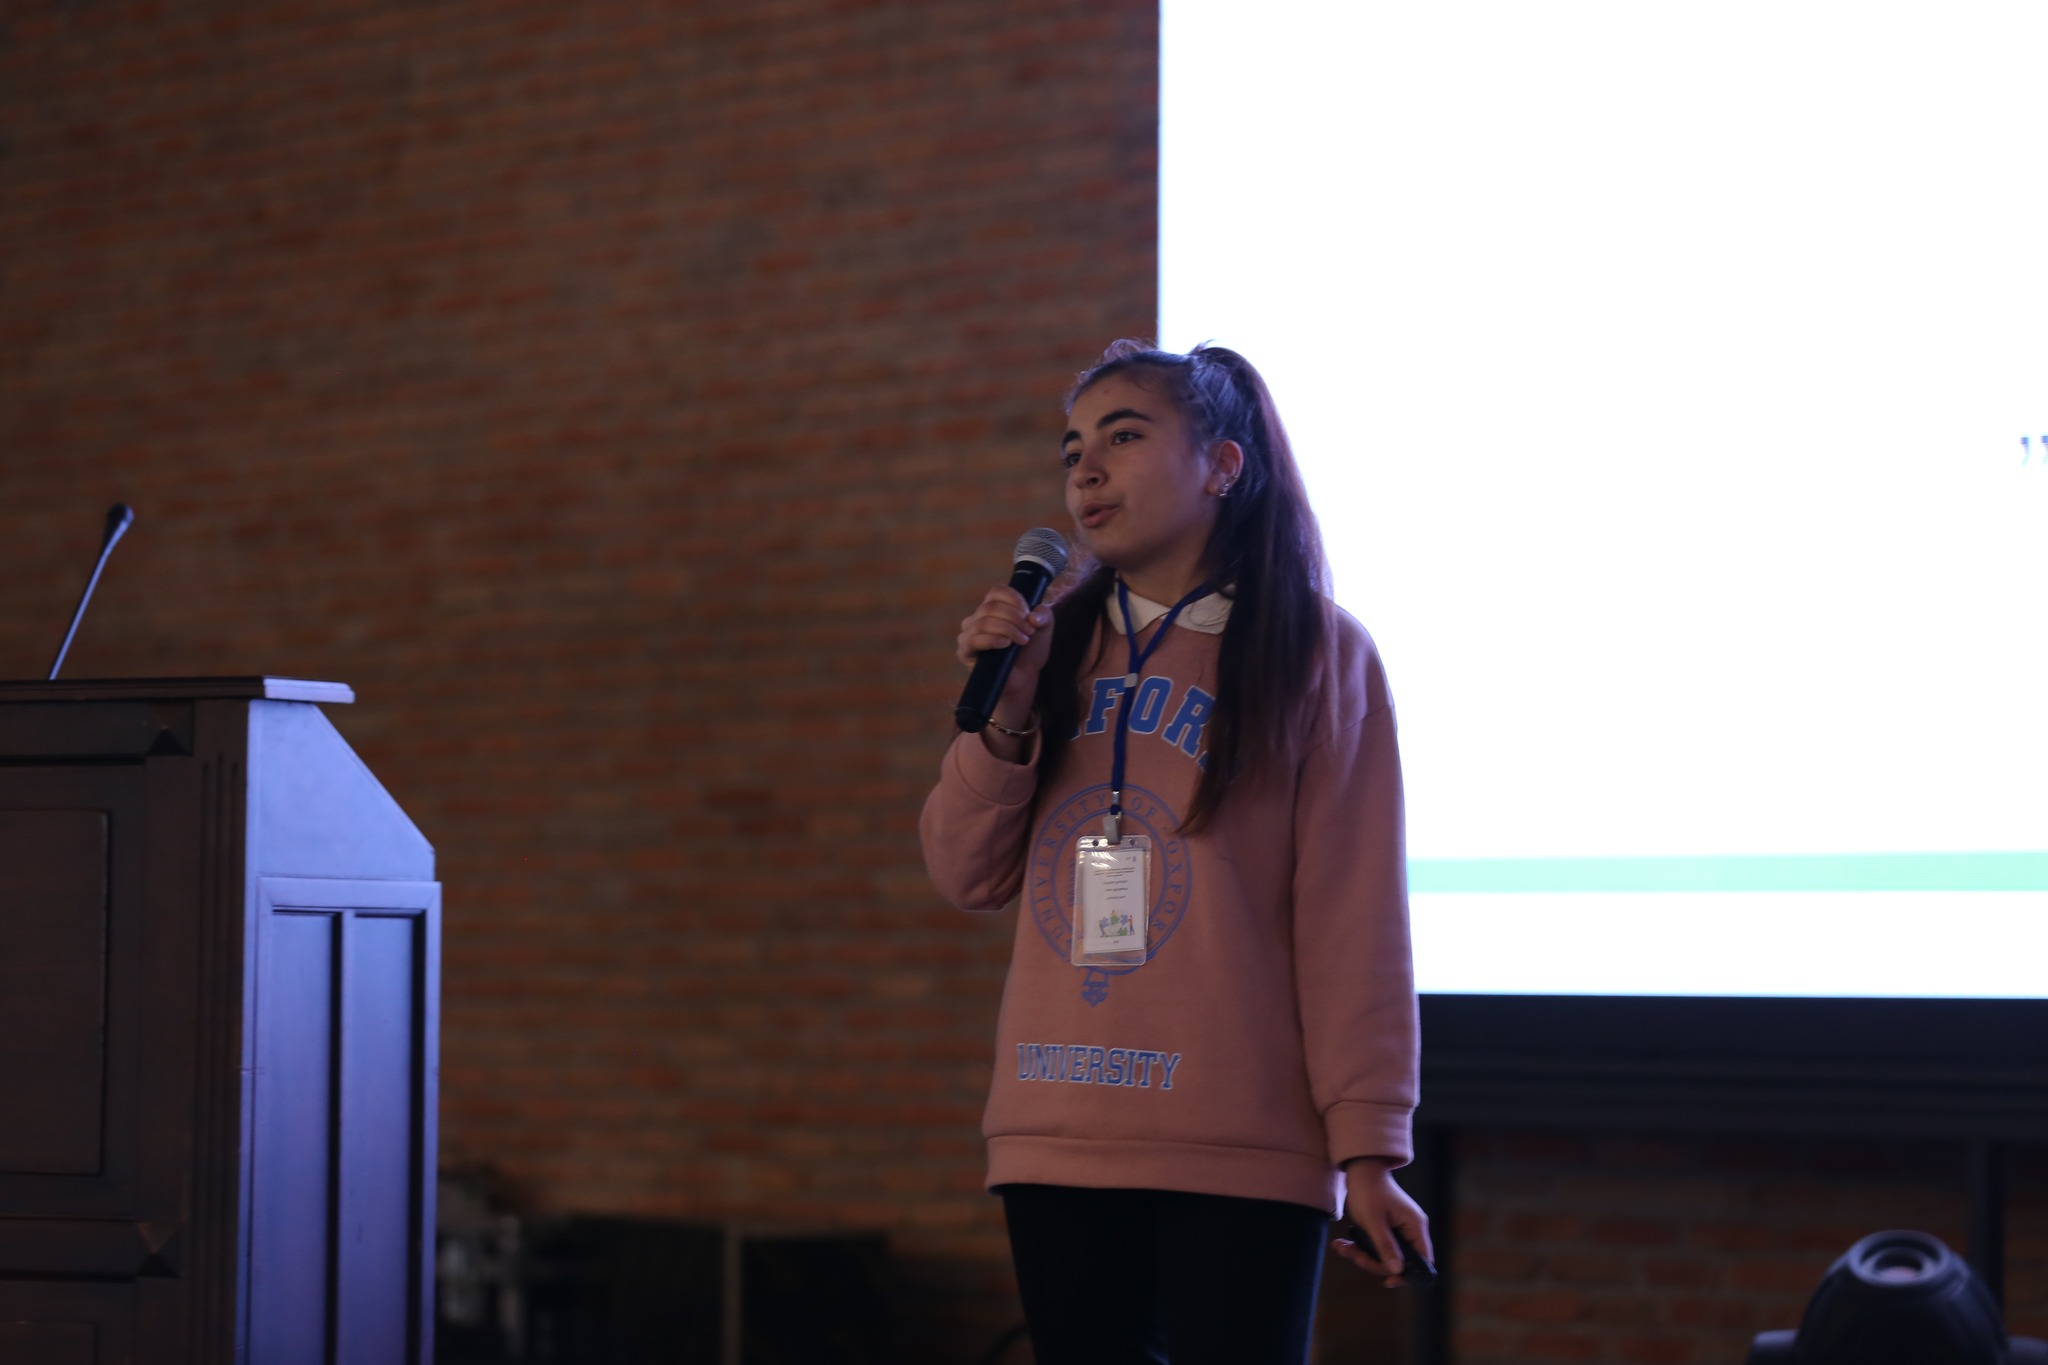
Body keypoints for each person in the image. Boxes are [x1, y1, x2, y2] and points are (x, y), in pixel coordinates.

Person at [919, 340, 1427, 1364]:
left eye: (1122, 437)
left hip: (1243, 1139)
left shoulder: (1317, 652)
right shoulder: (1050, 646)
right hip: (1058, 1128)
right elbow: (964, 872)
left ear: (1222, 465)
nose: (1086, 472)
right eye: (1072, 452)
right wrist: (1008, 710)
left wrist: (1369, 1147)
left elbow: (1352, 917)